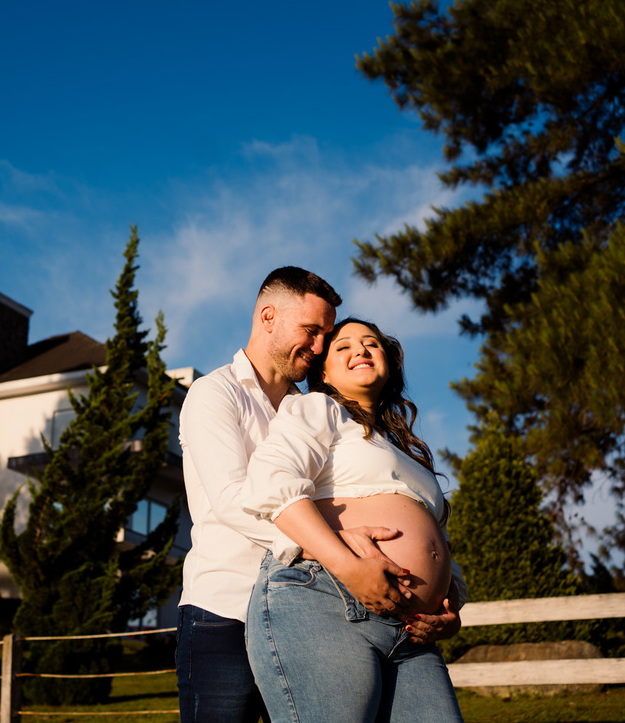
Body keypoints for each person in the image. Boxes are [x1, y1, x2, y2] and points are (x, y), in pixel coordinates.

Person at [176, 270, 413, 723]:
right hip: (225, 612)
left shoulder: (308, 407)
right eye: (312, 331)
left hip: (304, 614)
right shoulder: (214, 393)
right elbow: (231, 498)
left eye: (326, 334)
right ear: (268, 317)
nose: (320, 346)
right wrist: (334, 546)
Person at [243, 317, 465, 722]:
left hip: (411, 633)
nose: (361, 349)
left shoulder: (405, 451)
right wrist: (348, 567)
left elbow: (440, 546)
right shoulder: (319, 408)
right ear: (324, 373)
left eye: (371, 344)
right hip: (326, 597)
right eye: (343, 346)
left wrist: (449, 611)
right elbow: (271, 481)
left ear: (389, 365)